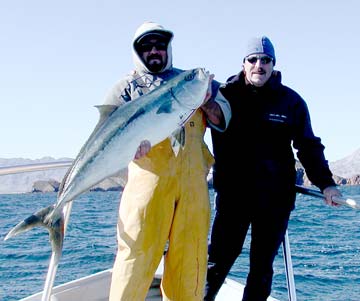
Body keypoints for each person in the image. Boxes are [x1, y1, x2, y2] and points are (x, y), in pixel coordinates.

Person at [204, 36, 342, 301]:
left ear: (273, 64)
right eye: (253, 59)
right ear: (243, 63)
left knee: (261, 270)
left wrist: (326, 183)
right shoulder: (224, 95)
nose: (259, 65)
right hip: (233, 199)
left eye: (265, 60)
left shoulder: (291, 102)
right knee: (216, 263)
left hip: (274, 202)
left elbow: (309, 146)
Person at [102, 21, 231, 301]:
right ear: (138, 52)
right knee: (135, 261)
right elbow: (106, 139)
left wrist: (206, 100)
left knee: (190, 264)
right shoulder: (124, 88)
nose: (154, 51)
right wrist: (129, 149)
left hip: (193, 193)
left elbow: (224, 119)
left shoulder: (192, 81)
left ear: (168, 48)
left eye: (159, 45)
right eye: (146, 47)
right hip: (147, 191)